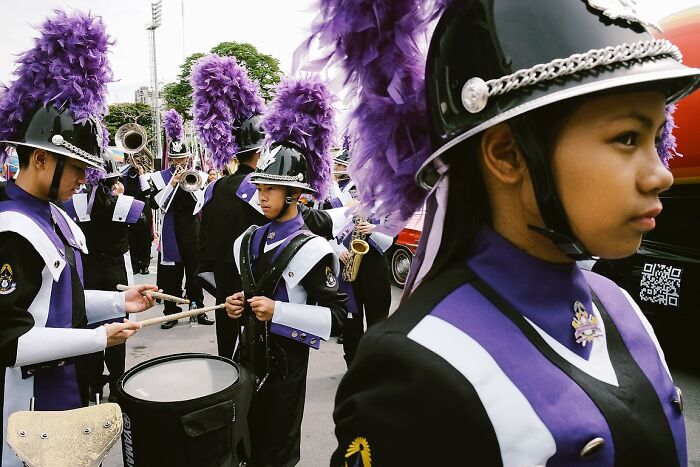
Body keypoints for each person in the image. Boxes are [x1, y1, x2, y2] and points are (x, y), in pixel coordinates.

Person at [302, 0, 700, 465]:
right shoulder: (421, 367)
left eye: (655, 138)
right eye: (627, 138)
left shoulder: (617, 302)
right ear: (507, 155)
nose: (661, 175)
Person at [0, 10, 157, 467]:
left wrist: (118, 302)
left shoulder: (52, 214)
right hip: (28, 409)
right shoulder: (11, 228)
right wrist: (97, 340)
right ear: (41, 160)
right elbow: (8, 340)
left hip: (66, 393)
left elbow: (56, 300)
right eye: (77, 167)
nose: (85, 178)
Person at [225, 77, 346, 467]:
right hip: (245, 358)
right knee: (244, 446)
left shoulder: (314, 249)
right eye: (260, 186)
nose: (262, 195)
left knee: (276, 453)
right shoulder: (248, 239)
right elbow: (251, 296)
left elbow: (339, 320)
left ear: (295, 194)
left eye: (272, 188)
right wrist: (237, 305)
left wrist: (279, 312)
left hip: (286, 367)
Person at [63, 152, 146, 401]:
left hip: (86, 271)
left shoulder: (71, 205)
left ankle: (93, 383)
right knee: (118, 328)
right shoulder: (127, 204)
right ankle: (118, 384)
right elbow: (142, 235)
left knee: (90, 327)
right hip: (115, 270)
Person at [324, 148, 393, 365]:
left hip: (373, 262)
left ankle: (375, 364)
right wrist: (337, 251)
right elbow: (326, 230)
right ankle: (352, 364)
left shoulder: (383, 196)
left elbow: (392, 233)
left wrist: (372, 228)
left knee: (377, 317)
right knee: (351, 321)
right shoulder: (336, 195)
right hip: (346, 262)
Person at [150, 136, 213, 329]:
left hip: (192, 229)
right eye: (176, 159)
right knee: (171, 274)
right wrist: (172, 184)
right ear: (170, 158)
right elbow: (154, 203)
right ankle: (170, 312)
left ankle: (198, 309)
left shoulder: (197, 175)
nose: (180, 162)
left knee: (195, 272)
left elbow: (203, 203)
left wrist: (192, 184)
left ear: (188, 157)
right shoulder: (159, 177)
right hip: (170, 229)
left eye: (182, 158)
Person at [120, 149, 154, 275]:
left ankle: (145, 264)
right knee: (132, 237)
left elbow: (147, 191)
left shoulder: (145, 175)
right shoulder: (124, 174)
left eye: (137, 158)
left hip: (143, 207)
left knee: (144, 237)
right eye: (131, 158)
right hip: (129, 206)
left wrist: (141, 174)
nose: (134, 160)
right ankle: (134, 265)